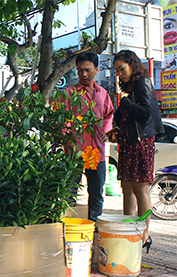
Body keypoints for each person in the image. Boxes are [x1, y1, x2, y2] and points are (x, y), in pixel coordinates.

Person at [112, 50, 164, 254]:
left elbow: (146, 113)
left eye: (122, 69)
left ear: (132, 64)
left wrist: (125, 102)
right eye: (117, 70)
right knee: (126, 187)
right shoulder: (130, 86)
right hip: (128, 143)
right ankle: (129, 229)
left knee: (140, 189)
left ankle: (144, 234)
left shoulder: (143, 82)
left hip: (141, 143)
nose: (119, 74)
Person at [62, 52, 115, 222]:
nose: (83, 74)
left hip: (97, 154)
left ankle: (94, 231)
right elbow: (63, 125)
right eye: (80, 71)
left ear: (96, 70)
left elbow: (109, 115)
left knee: (97, 195)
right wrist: (73, 147)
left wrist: (105, 132)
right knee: (69, 193)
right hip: (74, 154)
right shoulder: (70, 94)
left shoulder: (103, 94)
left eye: (87, 70)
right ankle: (66, 230)